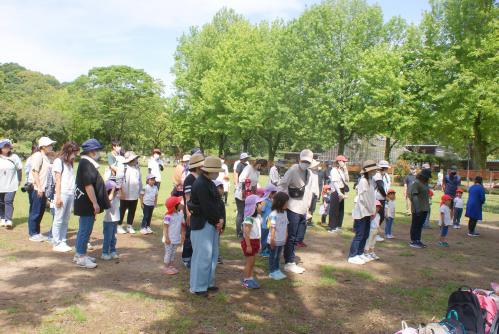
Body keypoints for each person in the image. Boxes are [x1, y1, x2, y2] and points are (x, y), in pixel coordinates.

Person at [189, 156, 225, 297]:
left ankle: (208, 283)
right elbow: (207, 207)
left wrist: (219, 219)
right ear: (210, 171)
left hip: (210, 223)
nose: (218, 173)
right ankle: (198, 287)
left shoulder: (208, 182)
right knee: (202, 257)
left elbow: (215, 204)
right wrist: (218, 220)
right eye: (216, 171)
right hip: (203, 224)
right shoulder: (201, 184)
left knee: (211, 255)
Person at [73, 139, 110, 269]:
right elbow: (88, 186)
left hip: (85, 202)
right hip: (87, 203)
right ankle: (82, 257)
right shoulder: (86, 164)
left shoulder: (86, 163)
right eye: (97, 150)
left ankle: (79, 254)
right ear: (92, 151)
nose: (98, 152)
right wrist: (95, 203)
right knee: (85, 230)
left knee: (83, 229)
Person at [278, 149, 314, 274]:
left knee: (298, 237)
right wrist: (285, 201)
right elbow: (282, 184)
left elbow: (308, 192)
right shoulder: (293, 169)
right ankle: (289, 262)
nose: (305, 163)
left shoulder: (309, 173)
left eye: (308, 162)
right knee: (291, 236)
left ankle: (290, 259)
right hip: (292, 207)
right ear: (299, 159)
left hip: (303, 209)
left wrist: (308, 208)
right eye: (304, 161)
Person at [51, 141, 79, 252]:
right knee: (58, 219)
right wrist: (58, 197)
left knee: (66, 219)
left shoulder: (70, 163)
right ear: (69, 151)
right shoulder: (58, 161)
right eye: (74, 152)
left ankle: (63, 240)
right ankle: (56, 242)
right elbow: (58, 180)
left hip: (70, 193)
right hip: (62, 193)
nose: (75, 155)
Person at [347, 160, 377, 265]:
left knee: (365, 234)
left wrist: (372, 210)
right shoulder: (363, 181)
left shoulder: (371, 180)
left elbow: (372, 197)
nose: (374, 171)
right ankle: (352, 255)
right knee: (359, 235)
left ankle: (360, 253)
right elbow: (364, 199)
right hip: (361, 212)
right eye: (373, 169)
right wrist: (371, 210)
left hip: (369, 212)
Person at [27, 136, 56, 241]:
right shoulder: (38, 155)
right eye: (49, 145)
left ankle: (37, 232)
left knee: (40, 210)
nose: (51, 146)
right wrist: (39, 188)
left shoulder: (46, 157)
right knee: (35, 211)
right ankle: (32, 233)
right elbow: (35, 172)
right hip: (37, 188)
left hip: (44, 188)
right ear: (43, 146)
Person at [234, 158, 267, 239]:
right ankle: (239, 232)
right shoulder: (249, 168)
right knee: (241, 213)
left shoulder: (257, 172)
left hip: (250, 195)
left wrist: (256, 195)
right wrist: (244, 192)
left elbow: (255, 183)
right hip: (241, 194)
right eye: (262, 167)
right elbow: (241, 179)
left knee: (248, 213)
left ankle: (246, 230)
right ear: (259, 164)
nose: (262, 169)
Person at [182, 153, 205, 268]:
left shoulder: (200, 178)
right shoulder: (189, 179)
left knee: (196, 234)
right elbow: (188, 198)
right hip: (191, 212)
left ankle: (195, 256)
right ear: (197, 166)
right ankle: (186, 257)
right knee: (189, 234)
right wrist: (188, 213)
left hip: (199, 212)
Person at [241, 194, 264, 289]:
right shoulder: (249, 219)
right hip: (249, 242)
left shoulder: (257, 217)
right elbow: (246, 233)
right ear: (254, 206)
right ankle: (246, 280)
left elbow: (258, 231)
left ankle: (250, 277)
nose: (262, 205)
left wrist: (259, 243)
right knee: (249, 262)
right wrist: (249, 245)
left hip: (255, 242)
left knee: (252, 262)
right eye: (259, 204)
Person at [117, 151, 142, 234]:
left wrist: (140, 192)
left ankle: (129, 226)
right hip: (125, 194)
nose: (136, 160)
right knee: (122, 210)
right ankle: (119, 225)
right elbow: (119, 180)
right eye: (134, 158)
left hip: (134, 194)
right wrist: (121, 192)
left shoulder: (137, 168)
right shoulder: (124, 167)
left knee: (132, 210)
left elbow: (140, 181)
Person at [0, 139, 22, 229]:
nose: (6, 148)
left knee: (8, 201)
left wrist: (19, 179)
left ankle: (8, 219)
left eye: (8, 146)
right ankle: (2, 218)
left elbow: (19, 169)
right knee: (1, 202)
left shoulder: (14, 157)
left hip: (11, 184)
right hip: (0, 184)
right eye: (4, 146)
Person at [268, 192, 289, 280]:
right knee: (273, 256)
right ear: (280, 202)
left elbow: (286, 224)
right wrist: (272, 240)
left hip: (281, 239)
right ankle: (272, 271)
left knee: (278, 256)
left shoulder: (284, 213)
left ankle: (277, 270)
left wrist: (286, 234)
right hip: (274, 239)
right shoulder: (273, 214)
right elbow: (272, 228)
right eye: (286, 202)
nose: (288, 204)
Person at [409, 168, 432, 249]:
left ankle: (418, 240)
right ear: (422, 176)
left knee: (420, 226)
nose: (428, 178)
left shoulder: (425, 183)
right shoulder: (416, 183)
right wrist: (417, 209)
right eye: (427, 177)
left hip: (425, 208)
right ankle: (413, 241)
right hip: (418, 208)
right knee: (415, 225)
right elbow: (414, 196)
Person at [163, 196, 185, 275]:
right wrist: (166, 238)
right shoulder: (168, 216)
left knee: (173, 253)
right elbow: (165, 228)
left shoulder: (180, 215)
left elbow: (183, 225)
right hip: (169, 239)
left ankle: (171, 266)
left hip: (176, 238)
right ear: (174, 206)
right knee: (168, 253)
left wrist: (182, 235)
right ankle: (166, 267)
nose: (180, 204)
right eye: (178, 203)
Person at [328, 155, 350, 233]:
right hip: (335, 191)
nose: (344, 163)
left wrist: (345, 170)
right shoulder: (334, 170)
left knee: (340, 209)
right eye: (343, 161)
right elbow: (335, 182)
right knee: (334, 209)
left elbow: (347, 180)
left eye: (344, 162)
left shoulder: (341, 170)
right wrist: (339, 193)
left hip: (341, 189)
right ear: (338, 162)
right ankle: (331, 227)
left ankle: (337, 225)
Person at [102, 179, 121, 260]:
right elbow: (109, 199)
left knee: (114, 237)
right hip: (108, 221)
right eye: (114, 189)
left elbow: (122, 195)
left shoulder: (116, 196)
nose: (116, 190)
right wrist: (113, 190)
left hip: (115, 220)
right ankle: (104, 253)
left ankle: (113, 251)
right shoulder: (106, 198)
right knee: (108, 237)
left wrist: (117, 189)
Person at [260, 184, 277, 257]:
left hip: (271, 223)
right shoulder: (264, 200)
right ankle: (263, 251)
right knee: (264, 238)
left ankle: (268, 250)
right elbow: (261, 210)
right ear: (269, 193)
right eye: (273, 194)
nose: (274, 195)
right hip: (265, 223)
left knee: (269, 237)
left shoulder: (272, 200)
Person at [373, 160, 390, 234]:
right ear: (383, 168)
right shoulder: (377, 175)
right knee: (379, 216)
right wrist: (385, 196)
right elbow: (380, 186)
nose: (387, 170)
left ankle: (374, 232)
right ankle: (373, 232)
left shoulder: (383, 176)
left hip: (380, 198)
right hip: (377, 198)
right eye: (386, 168)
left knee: (380, 216)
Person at [213, 180, 226, 264]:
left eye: (222, 188)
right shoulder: (212, 202)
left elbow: (223, 215)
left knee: (216, 242)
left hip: (219, 227)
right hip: (213, 225)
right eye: (219, 188)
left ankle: (216, 256)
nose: (221, 190)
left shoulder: (221, 201)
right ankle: (214, 256)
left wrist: (223, 226)